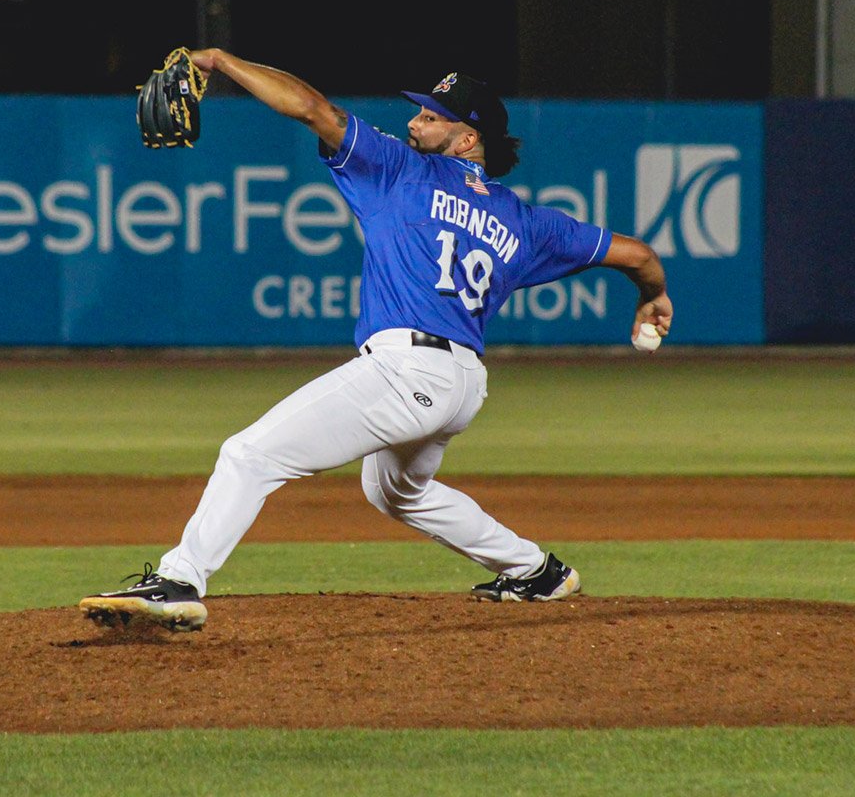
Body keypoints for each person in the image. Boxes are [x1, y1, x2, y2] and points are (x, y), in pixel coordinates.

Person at [79, 49, 673, 631]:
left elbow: (312, 108)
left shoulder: (400, 168)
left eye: (432, 116)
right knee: (396, 490)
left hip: (406, 371)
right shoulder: (529, 222)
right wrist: (653, 296)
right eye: (418, 111)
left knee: (250, 454)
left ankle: (180, 579)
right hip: (463, 383)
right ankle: (535, 571)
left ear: (468, 140)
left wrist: (223, 63)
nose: (414, 121)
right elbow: (639, 255)